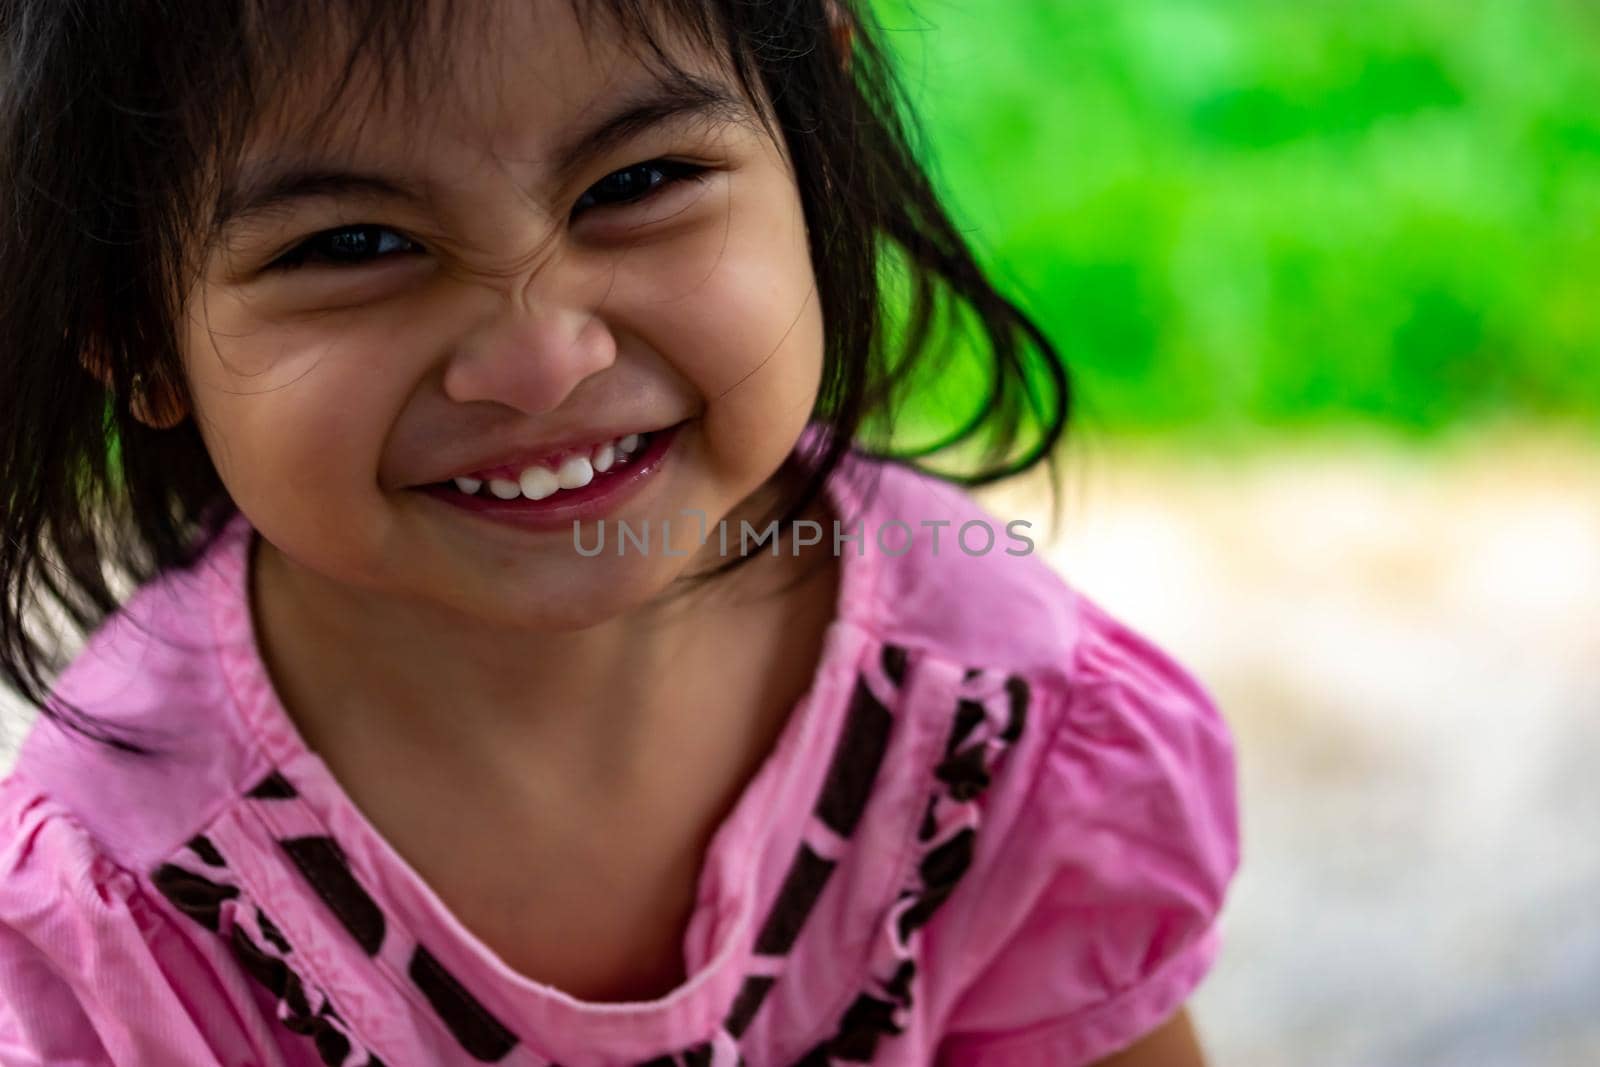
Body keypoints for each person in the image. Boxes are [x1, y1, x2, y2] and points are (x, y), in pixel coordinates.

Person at [0, 1, 1239, 1064]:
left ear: (815, 124)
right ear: (133, 326)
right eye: (355, 246)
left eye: (636, 184)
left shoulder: (987, 710)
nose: (541, 360)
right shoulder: (131, 908)